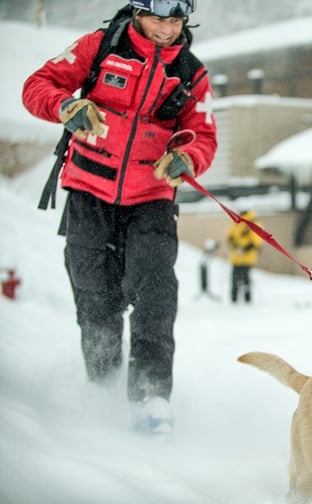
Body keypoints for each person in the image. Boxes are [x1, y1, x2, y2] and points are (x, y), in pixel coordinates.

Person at [22, 0, 217, 435]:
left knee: (155, 296)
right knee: (96, 297)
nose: (166, 30)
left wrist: (187, 156)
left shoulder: (190, 72)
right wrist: (64, 107)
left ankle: (150, 397)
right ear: (136, 12)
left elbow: (203, 134)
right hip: (89, 192)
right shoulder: (99, 47)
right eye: (157, 19)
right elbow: (38, 84)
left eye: (175, 21)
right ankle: (101, 387)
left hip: (151, 198)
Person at [226, 210, 263, 304]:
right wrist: (233, 244)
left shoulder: (252, 221)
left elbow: (256, 240)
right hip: (236, 257)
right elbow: (230, 235)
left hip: (247, 257)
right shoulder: (236, 221)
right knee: (234, 279)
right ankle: (234, 300)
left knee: (246, 279)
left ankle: (247, 300)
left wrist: (245, 248)